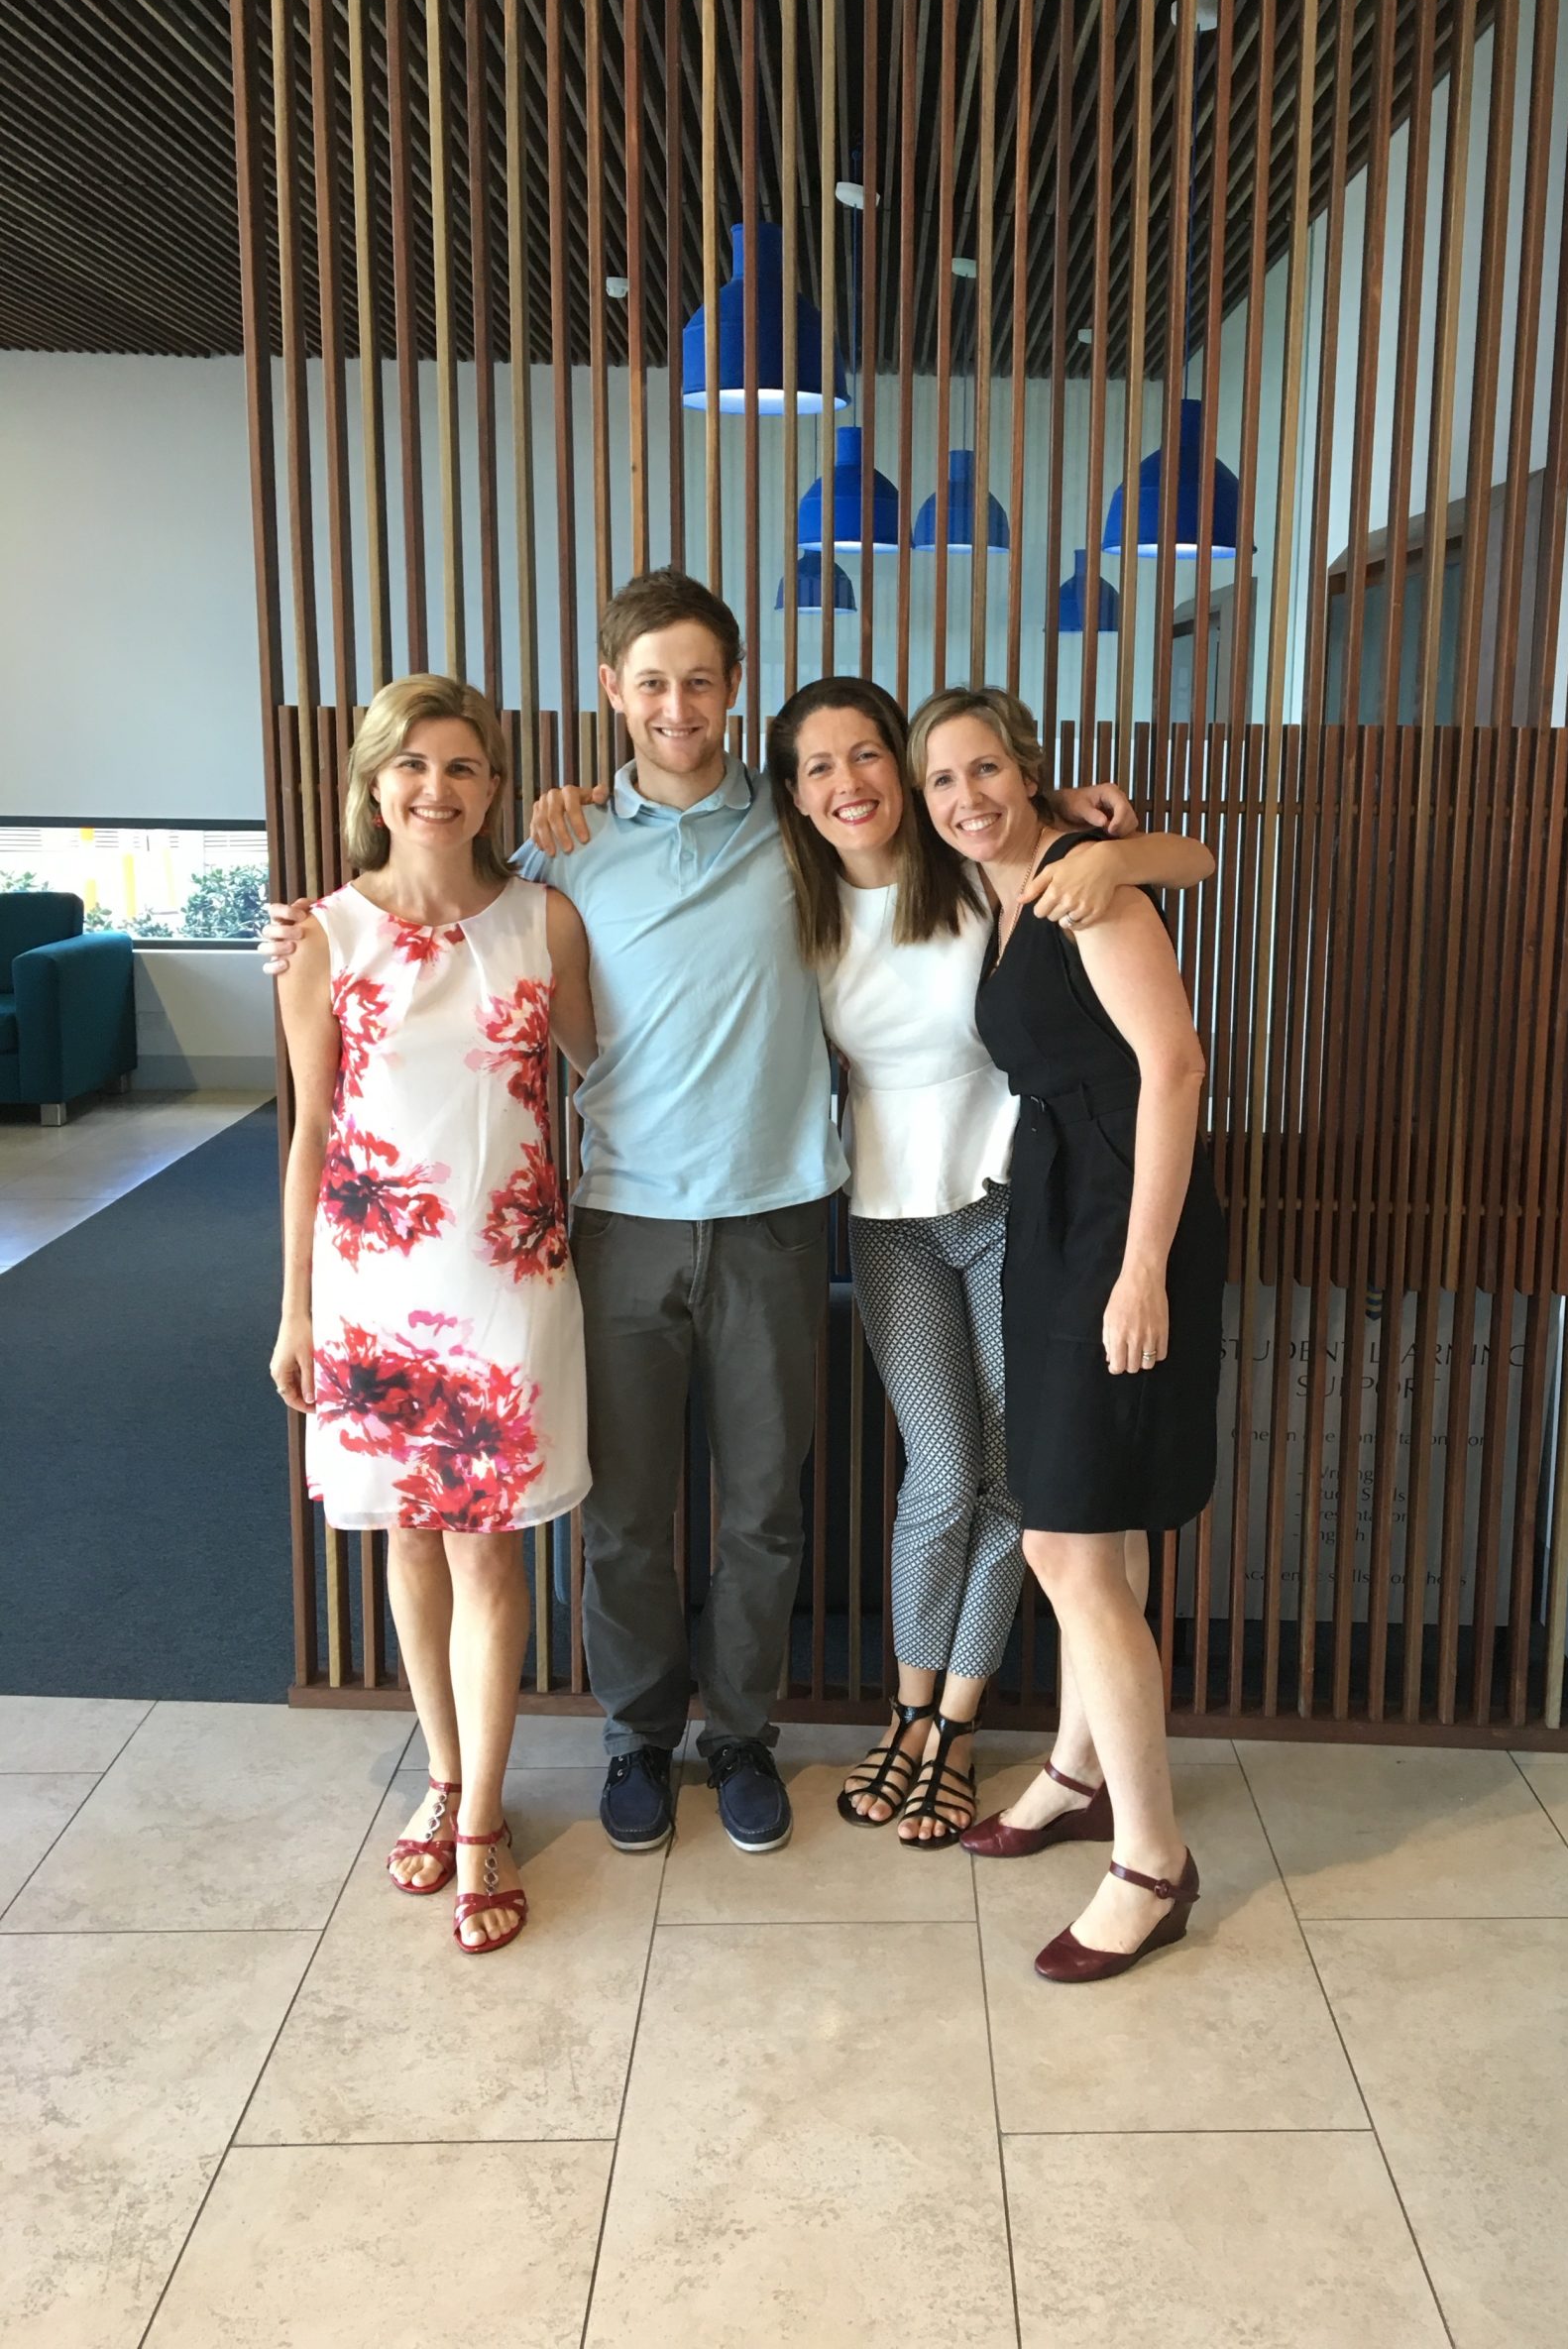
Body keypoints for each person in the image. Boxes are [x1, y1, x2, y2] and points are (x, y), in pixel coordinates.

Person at [277, 568, 1139, 1860]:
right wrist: (306, 936)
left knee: (761, 1508)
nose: (678, 704)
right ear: (615, 694)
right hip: (618, 1220)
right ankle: (636, 1734)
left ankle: (738, 1731)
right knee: (625, 1510)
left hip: (781, 1217)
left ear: (734, 690)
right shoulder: (558, 852)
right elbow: (439, 928)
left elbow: (937, 812)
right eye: (651, 681)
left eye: (702, 679)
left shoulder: (794, 821)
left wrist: (1077, 815)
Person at [763, 677, 1213, 1844]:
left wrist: (1125, 853)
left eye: (867, 755)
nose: (848, 782)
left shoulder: (969, 866)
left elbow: (1162, 858)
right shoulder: (790, 906)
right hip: (891, 1222)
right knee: (943, 1469)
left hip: (1019, 1204)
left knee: (1023, 1482)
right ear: (796, 794)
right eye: (819, 766)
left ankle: (956, 1732)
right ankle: (907, 1713)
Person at [270, 674, 595, 1956]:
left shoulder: (545, 922)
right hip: (372, 1283)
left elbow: (605, 1070)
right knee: (408, 1538)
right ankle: (443, 1772)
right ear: (372, 785)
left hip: (510, 1271)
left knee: (489, 1549)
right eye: (410, 765)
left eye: (462, 767)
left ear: (493, 789)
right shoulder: (322, 936)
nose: (435, 789)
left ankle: (483, 1822)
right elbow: (308, 1134)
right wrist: (295, 1310)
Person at [913, 684, 1225, 1982]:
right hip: (1054, 1211)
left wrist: (1143, 1263)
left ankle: (1152, 1863)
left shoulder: (1087, 884)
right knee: (1088, 1521)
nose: (965, 797)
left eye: (985, 769)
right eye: (944, 781)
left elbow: (1177, 1066)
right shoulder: (1003, 895)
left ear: (1030, 772)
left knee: (1065, 1542)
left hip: (1115, 1215)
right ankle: (1076, 1770)